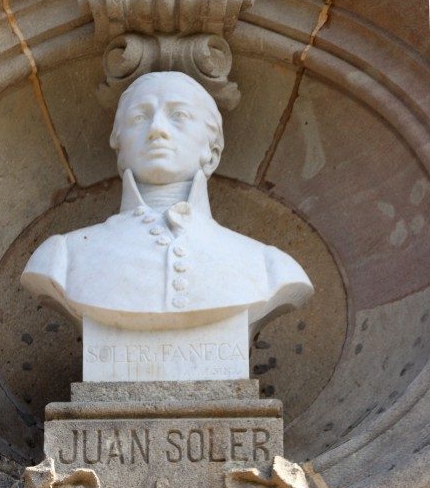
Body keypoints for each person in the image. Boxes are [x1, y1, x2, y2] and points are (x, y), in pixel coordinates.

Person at [21, 71, 313, 338]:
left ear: (211, 153)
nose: (156, 129)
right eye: (139, 117)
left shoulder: (269, 267)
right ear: (120, 151)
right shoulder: (61, 258)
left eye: (179, 115)